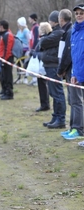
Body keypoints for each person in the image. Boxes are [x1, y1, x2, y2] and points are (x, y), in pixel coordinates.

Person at [40, 11, 66, 129]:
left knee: (57, 93)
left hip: (54, 66)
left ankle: (60, 119)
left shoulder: (59, 32)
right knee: (54, 93)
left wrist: (44, 37)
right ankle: (55, 117)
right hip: (50, 65)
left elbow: (43, 42)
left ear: (54, 21)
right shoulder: (54, 32)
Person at [57, 9, 80, 139]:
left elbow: (67, 54)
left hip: (72, 71)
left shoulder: (70, 31)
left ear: (61, 19)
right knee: (72, 100)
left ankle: (77, 129)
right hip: (70, 71)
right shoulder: (68, 31)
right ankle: (72, 127)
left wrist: (61, 70)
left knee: (76, 101)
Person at [70, 5, 84, 146]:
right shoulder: (74, 31)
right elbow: (75, 56)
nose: (79, 15)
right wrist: (74, 74)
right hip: (78, 74)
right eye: (77, 13)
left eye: (82, 13)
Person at [0, 20, 14, 100]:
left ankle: (9, 93)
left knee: (8, 77)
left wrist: (4, 60)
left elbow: (7, 49)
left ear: (2, 27)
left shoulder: (8, 35)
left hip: (7, 59)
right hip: (2, 58)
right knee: (3, 76)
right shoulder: (3, 35)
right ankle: (4, 91)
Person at [15, 17, 31, 84]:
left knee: (25, 64)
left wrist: (29, 51)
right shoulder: (19, 31)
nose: (17, 24)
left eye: (18, 23)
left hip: (25, 50)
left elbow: (29, 40)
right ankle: (18, 78)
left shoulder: (26, 31)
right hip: (19, 50)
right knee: (18, 63)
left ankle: (25, 78)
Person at [27, 13, 40, 86]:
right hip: (32, 47)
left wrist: (33, 48)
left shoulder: (36, 27)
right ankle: (34, 79)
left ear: (33, 19)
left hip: (35, 48)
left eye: (29, 18)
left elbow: (36, 38)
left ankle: (35, 79)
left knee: (35, 64)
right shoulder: (33, 27)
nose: (29, 20)